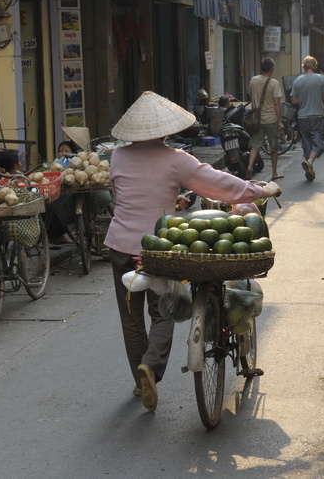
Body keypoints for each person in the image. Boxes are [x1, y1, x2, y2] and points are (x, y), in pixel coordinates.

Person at [104, 91, 281, 412]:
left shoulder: (117, 157)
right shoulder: (176, 159)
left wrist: (172, 200)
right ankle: (151, 368)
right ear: (165, 130)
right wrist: (261, 188)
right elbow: (221, 185)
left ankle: (139, 379)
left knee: (131, 320)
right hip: (157, 249)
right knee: (163, 313)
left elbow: (125, 196)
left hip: (118, 245)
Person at [290, 56, 324, 181]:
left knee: (307, 143)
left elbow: (293, 100)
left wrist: (303, 99)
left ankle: (310, 168)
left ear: (304, 66)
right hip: (317, 116)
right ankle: (310, 161)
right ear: (315, 66)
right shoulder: (321, 79)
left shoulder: (297, 80)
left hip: (302, 117)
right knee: (318, 142)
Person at [247, 57, 284, 180]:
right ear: (272, 69)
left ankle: (250, 166)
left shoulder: (253, 80)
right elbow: (276, 103)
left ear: (261, 68)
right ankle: (274, 172)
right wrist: (279, 121)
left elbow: (251, 96)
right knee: (274, 146)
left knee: (255, 144)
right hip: (271, 119)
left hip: (256, 119)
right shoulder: (274, 83)